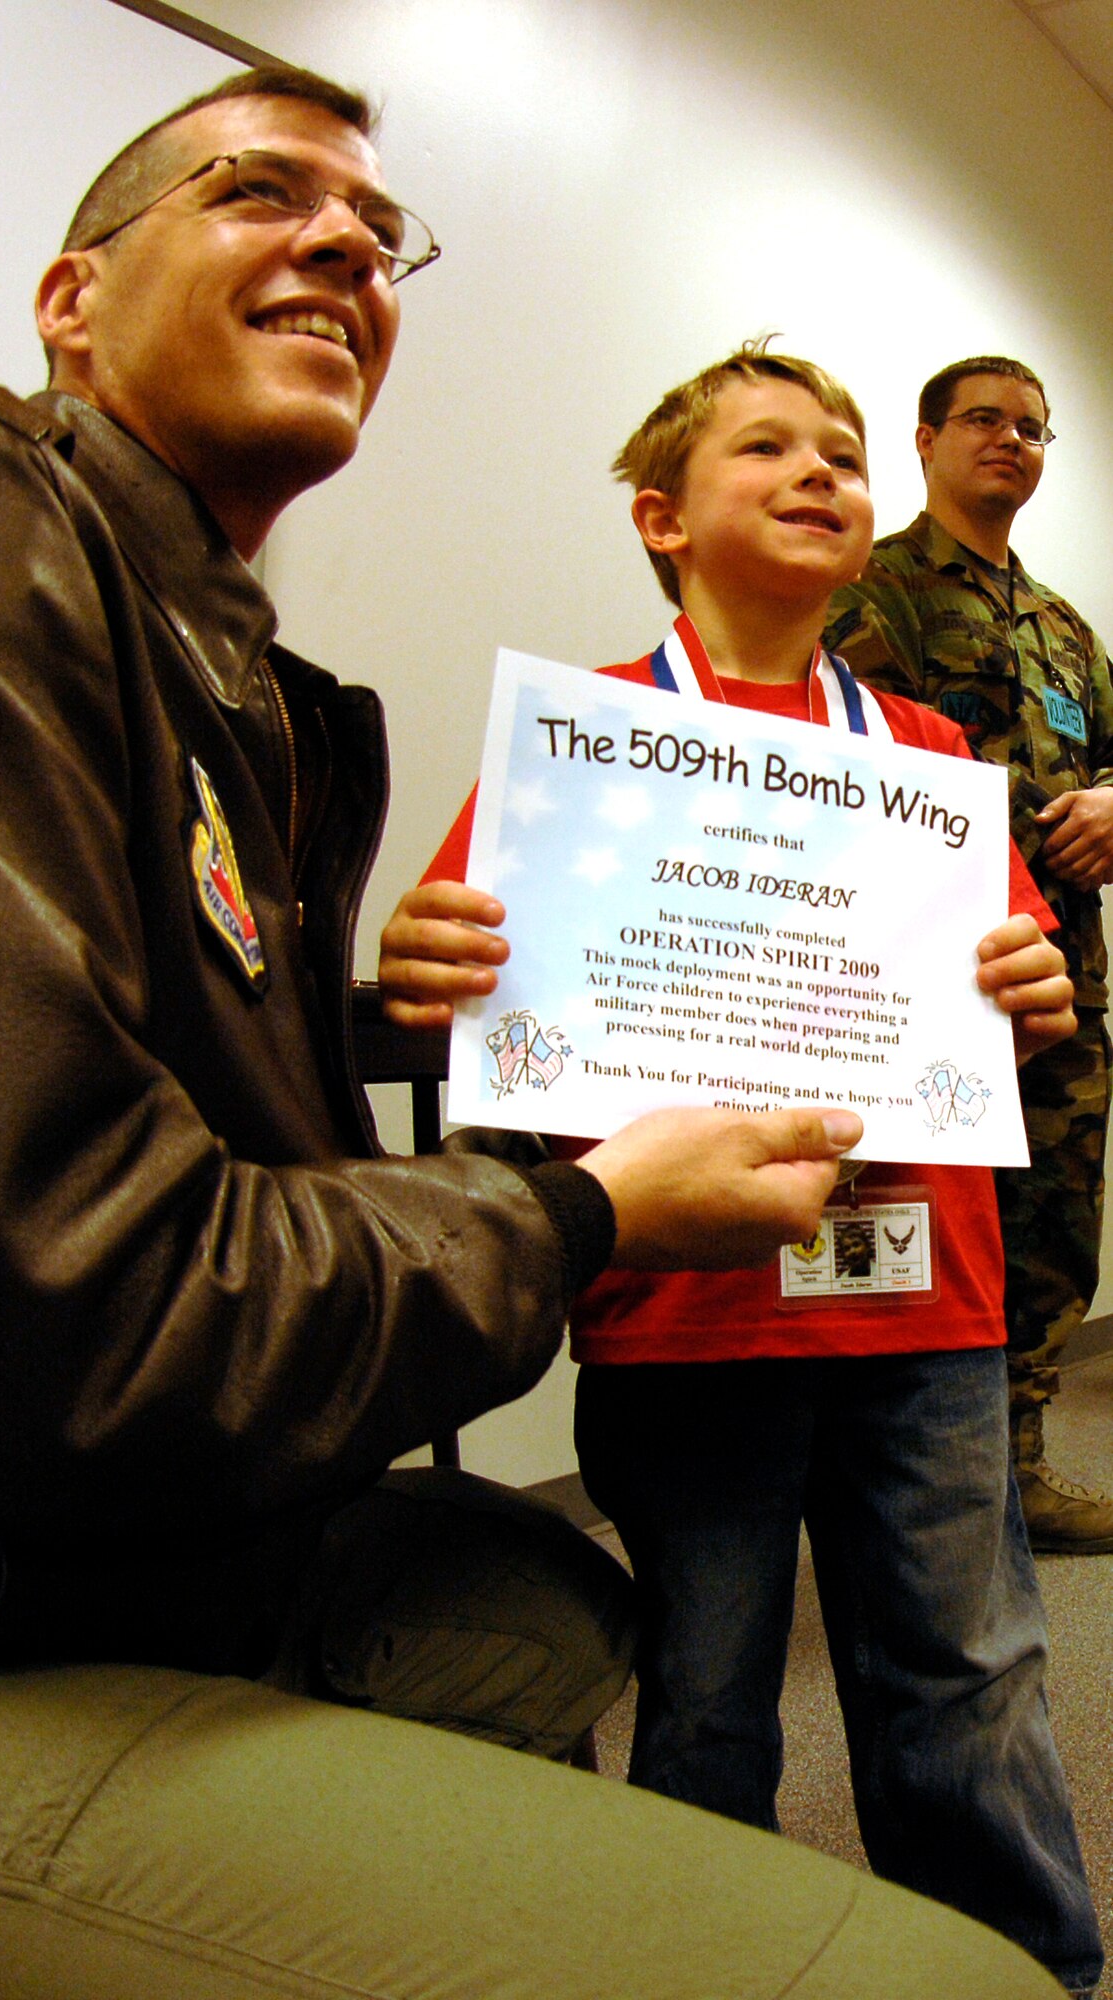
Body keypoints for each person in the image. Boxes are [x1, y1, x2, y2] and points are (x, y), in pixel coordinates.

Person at [0, 63, 1062, 2000]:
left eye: (372, 224)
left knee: (770, 1646)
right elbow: (92, 1284)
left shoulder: (254, 695)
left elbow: (182, 1111)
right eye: (256, 194)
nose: (345, 235)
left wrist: (395, 1020)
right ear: (71, 299)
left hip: (879, 1301)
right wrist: (534, 1120)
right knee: (711, 1699)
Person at [380, 346, 1102, 1995]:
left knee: (969, 1681)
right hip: (686, 1310)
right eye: (766, 446)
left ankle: (1021, 1980)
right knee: (703, 1695)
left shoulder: (921, 756)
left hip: (927, 1307)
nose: (820, 469)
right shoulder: (585, 749)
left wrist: (1035, 991)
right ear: (663, 516)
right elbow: (467, 976)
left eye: (842, 453)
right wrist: (434, 962)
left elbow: (1015, 991)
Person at [825, 357, 1113, 1553]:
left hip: (1059, 981)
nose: (1012, 440)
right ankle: (900, 1486)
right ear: (928, 439)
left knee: (1051, 1218)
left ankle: (1019, 1466)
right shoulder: (866, 585)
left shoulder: (1061, 626)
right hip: (913, 970)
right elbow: (858, 759)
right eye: (987, 419)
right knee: (916, 1220)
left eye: (1033, 428)